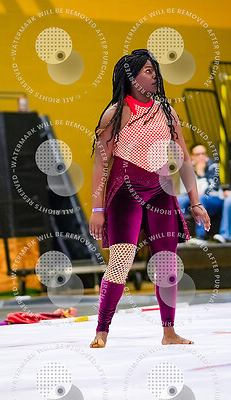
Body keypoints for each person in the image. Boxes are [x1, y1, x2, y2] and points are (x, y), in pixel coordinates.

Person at [89, 49, 210, 348]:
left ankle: (169, 332)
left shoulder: (167, 113)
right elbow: (100, 163)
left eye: (155, 70)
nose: (155, 75)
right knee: (120, 262)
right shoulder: (116, 113)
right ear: (131, 77)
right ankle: (101, 331)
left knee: (167, 265)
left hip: (160, 190)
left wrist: (195, 202)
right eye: (147, 70)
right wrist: (97, 208)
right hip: (124, 191)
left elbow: (183, 160)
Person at [177, 143, 222, 243]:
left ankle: (201, 237)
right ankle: (181, 236)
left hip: (214, 199)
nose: (201, 157)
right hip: (194, 198)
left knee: (199, 199)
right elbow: (185, 189)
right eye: (198, 154)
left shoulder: (213, 166)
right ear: (192, 156)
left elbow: (209, 190)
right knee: (179, 200)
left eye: (203, 153)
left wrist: (200, 173)